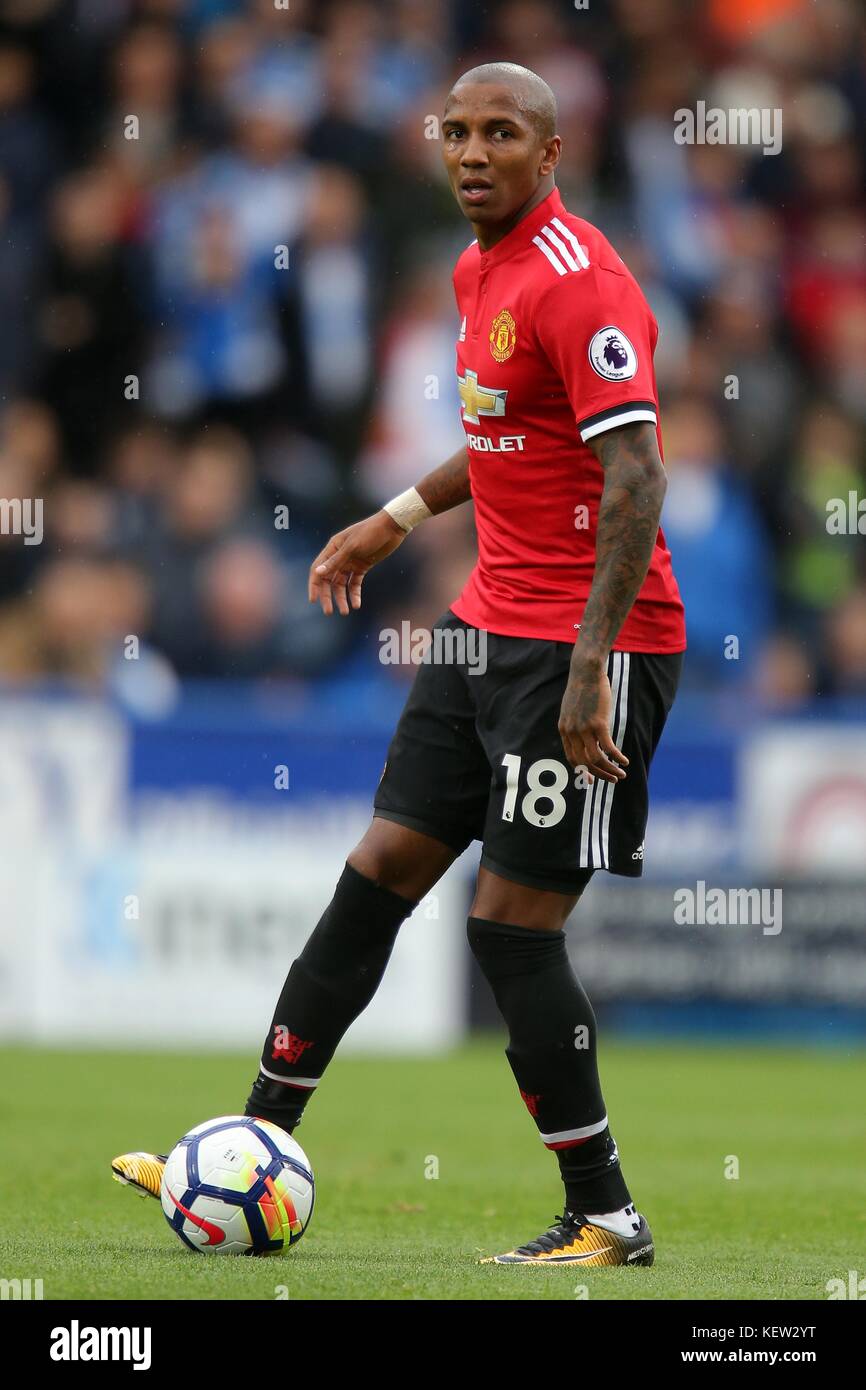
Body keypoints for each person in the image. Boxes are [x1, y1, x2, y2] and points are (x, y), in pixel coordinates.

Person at [112, 62, 686, 1268]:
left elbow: (635, 477)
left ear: (551, 150)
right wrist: (395, 514)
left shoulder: (585, 288)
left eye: (500, 134)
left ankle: (605, 1213)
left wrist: (588, 664)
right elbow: (500, 433)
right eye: (455, 132)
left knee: (512, 930)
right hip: (480, 627)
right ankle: (246, 1148)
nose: (471, 152)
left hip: (588, 644)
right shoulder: (475, 267)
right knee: (377, 870)